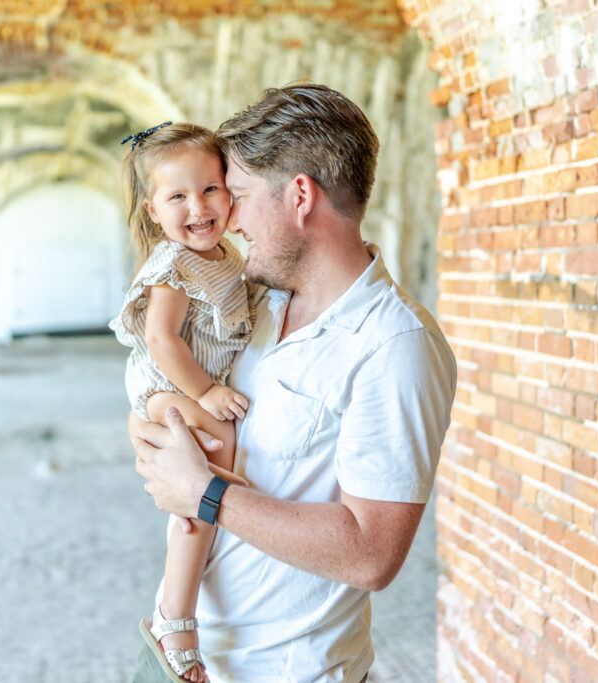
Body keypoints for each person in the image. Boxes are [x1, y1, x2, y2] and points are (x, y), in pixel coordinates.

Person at [131, 84, 457, 683]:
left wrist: (203, 492)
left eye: (240, 193)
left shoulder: (394, 345)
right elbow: (161, 373)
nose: (226, 213)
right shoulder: (252, 301)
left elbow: (372, 554)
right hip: (198, 657)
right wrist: (150, 423)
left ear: (300, 196)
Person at [109, 121, 254, 683]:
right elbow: (162, 340)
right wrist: (207, 391)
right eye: (177, 197)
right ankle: (176, 615)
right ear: (152, 210)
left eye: (210, 189)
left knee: (203, 490)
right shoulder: (173, 264)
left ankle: (187, 589)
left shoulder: (225, 258)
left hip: (180, 384)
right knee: (215, 460)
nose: (198, 207)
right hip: (164, 385)